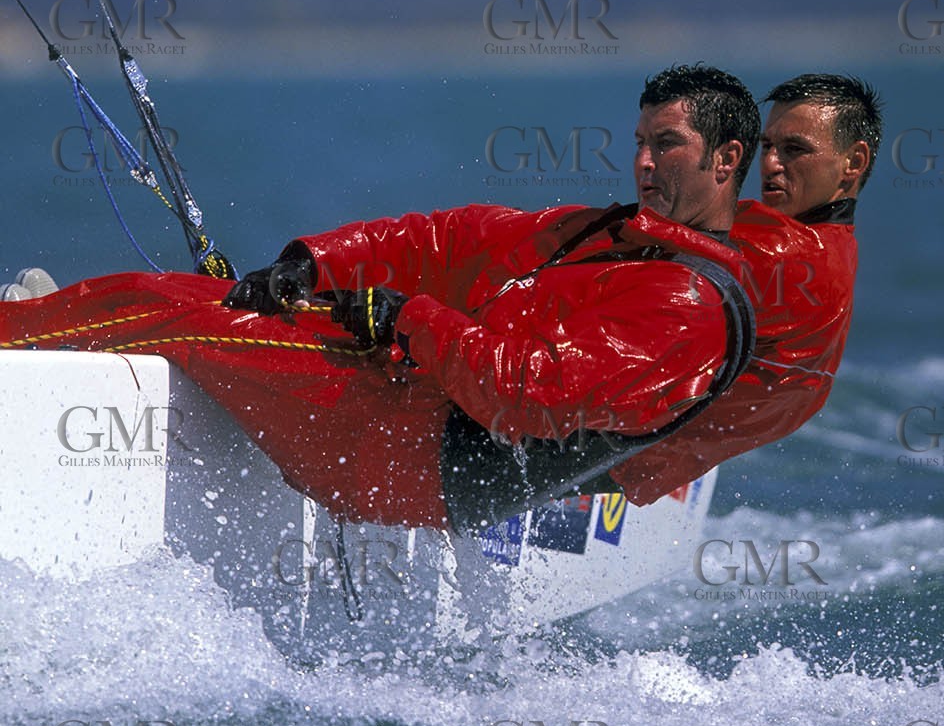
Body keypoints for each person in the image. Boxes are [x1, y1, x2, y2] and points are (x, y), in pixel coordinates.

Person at [0, 66, 771, 528]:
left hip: (403, 460)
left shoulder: (685, 305)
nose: (643, 163)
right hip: (398, 403)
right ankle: (41, 326)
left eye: (666, 145)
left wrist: (405, 315)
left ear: (726, 159)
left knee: (164, 304)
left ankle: (22, 333)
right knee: (211, 297)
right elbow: (449, 242)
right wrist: (312, 265)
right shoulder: (613, 234)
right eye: (639, 142)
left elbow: (522, 397)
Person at [609, 72, 881, 503]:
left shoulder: (782, 256)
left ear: (854, 162)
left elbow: (630, 270)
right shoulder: (830, 246)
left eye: (794, 150)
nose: (770, 164)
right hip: (657, 461)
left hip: (607, 450)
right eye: (767, 146)